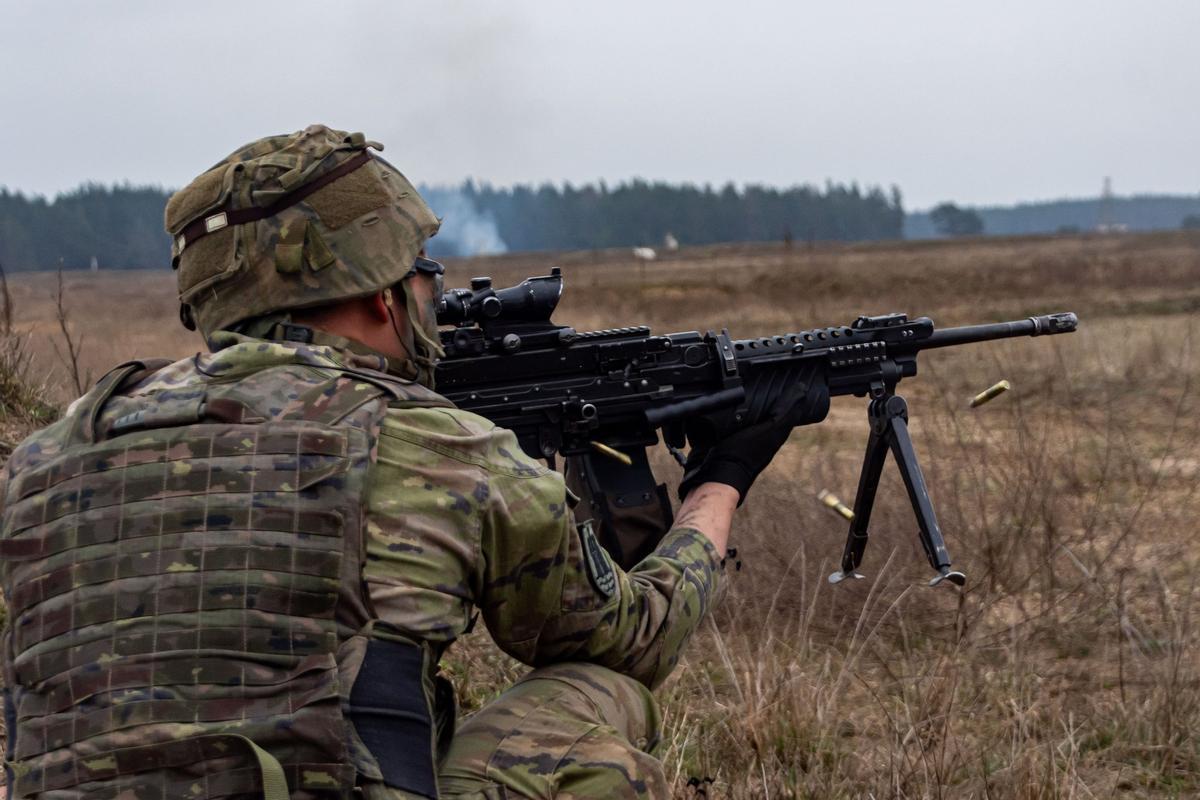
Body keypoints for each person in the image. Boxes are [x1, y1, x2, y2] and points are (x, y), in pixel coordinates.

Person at [0, 125, 800, 799]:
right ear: (385, 294)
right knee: (596, 696)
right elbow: (632, 637)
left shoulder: (49, 453)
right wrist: (718, 485)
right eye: (424, 275)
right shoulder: (438, 443)